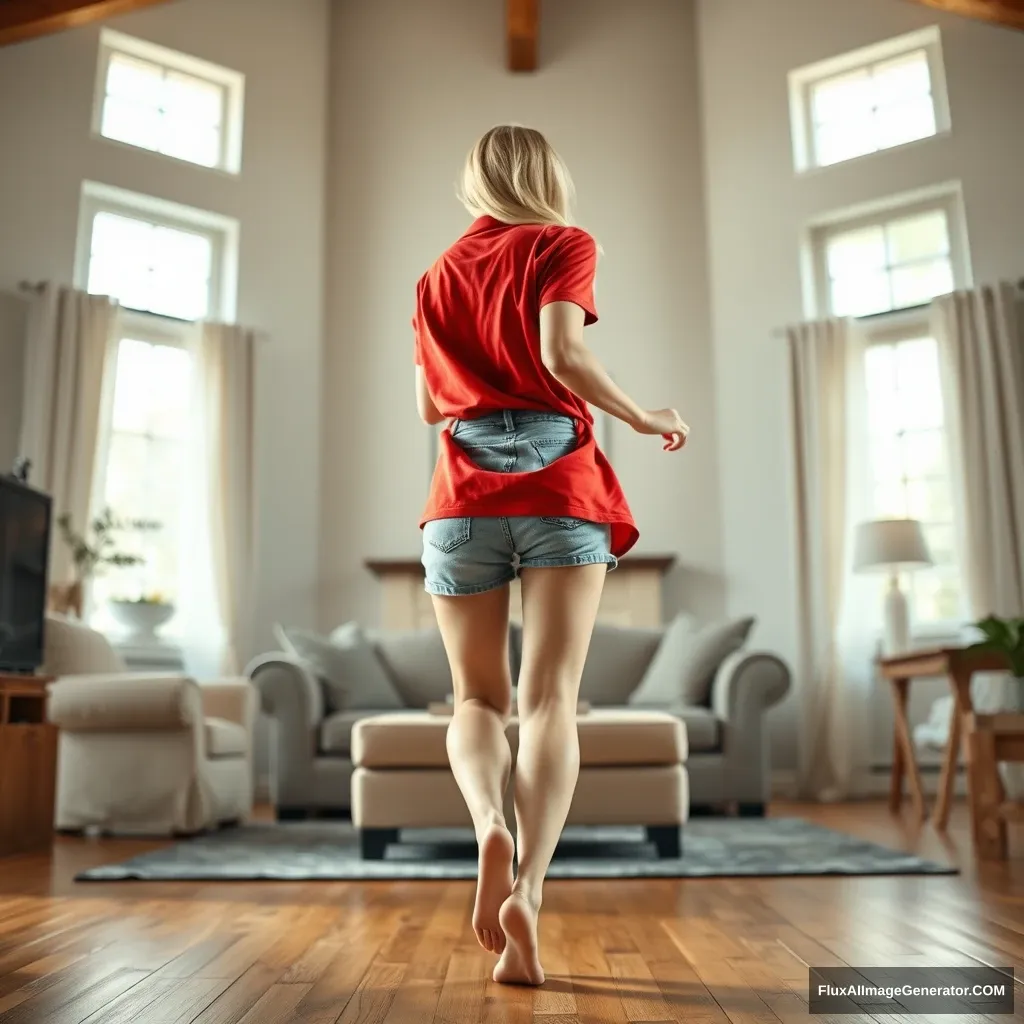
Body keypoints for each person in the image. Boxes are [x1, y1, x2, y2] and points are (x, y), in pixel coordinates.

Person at [412, 124, 689, 987]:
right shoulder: (565, 241)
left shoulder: (433, 276)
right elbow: (561, 353)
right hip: (560, 484)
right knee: (551, 702)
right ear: (546, 178)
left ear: (473, 184)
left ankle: (487, 821)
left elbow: (430, 405)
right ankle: (528, 887)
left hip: (461, 493)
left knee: (476, 698)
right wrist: (643, 416)